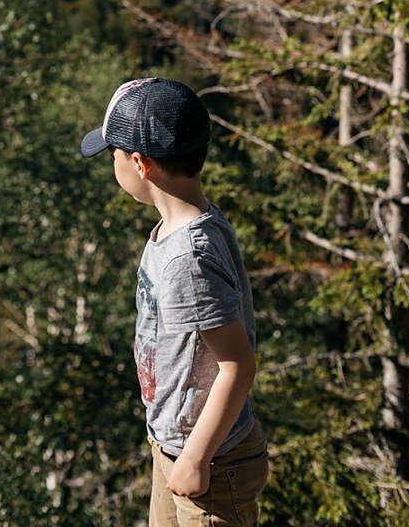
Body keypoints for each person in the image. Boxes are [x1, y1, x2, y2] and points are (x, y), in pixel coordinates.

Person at [81, 77, 269, 527]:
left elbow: (237, 364)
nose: (113, 164)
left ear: (141, 164)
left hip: (209, 463)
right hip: (174, 445)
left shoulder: (188, 258)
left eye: (114, 155)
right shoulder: (186, 228)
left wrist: (195, 459)